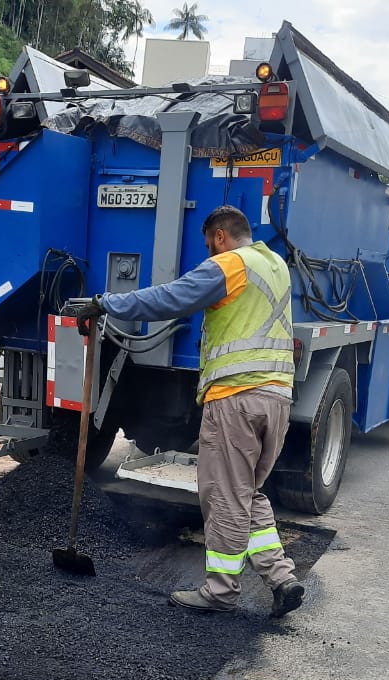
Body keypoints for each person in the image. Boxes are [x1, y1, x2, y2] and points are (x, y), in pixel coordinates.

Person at [73, 205, 306, 618]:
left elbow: (170, 298)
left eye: (208, 246)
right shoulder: (275, 264)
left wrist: (104, 303)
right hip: (277, 398)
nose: (209, 253)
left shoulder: (232, 264)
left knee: (222, 497)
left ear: (219, 236)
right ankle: (281, 577)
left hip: (236, 398)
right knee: (245, 492)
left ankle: (220, 591)